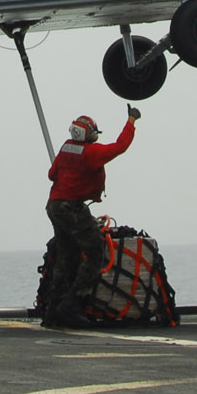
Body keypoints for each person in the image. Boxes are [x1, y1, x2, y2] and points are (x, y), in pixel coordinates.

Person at [43, 107, 139, 328]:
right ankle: (71, 305)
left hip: (54, 206)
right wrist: (131, 121)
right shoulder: (91, 153)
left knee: (66, 256)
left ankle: (52, 313)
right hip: (71, 208)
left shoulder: (66, 148)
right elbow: (120, 146)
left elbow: (51, 175)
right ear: (88, 133)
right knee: (96, 251)